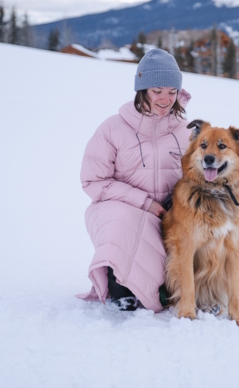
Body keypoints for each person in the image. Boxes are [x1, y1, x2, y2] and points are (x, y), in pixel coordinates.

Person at [77, 49, 192, 311]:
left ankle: (199, 286)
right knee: (124, 221)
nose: (165, 99)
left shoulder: (187, 132)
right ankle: (120, 285)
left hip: (169, 208)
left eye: (172, 92)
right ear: (142, 90)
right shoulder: (113, 128)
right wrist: (143, 202)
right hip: (118, 206)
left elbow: (199, 176)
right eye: (157, 91)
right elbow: (93, 181)